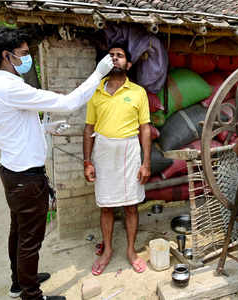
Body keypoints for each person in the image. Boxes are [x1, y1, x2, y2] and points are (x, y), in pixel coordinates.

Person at [0, 27, 114, 300]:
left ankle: (19, 282)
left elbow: (12, 128)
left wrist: (46, 128)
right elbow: (69, 102)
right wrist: (99, 72)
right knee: (30, 239)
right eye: (23, 54)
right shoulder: (9, 88)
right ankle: (32, 295)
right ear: (7, 56)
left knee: (19, 232)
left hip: (13, 171)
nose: (27, 57)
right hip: (26, 178)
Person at [83, 43, 151, 276]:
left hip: (129, 152)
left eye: (119, 56)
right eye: (110, 55)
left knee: (131, 205)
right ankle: (108, 250)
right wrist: (87, 161)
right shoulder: (96, 91)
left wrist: (146, 163)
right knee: (106, 205)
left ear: (128, 64)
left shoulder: (137, 92)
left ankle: (131, 251)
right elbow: (88, 128)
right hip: (103, 152)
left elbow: (145, 129)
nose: (114, 59)